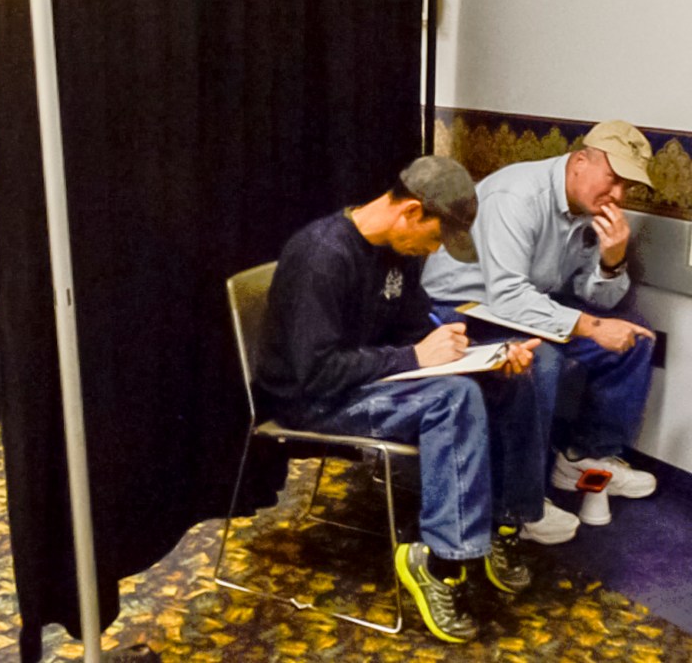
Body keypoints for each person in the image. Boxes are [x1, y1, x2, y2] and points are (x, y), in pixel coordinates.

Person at [254, 156, 546, 643]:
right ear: (411, 212)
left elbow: (413, 331)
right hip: (309, 400)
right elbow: (316, 373)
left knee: (509, 380)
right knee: (452, 400)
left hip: (366, 381)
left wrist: (482, 357)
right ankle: (442, 563)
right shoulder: (322, 255)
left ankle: (504, 523)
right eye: (436, 238)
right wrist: (414, 357)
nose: (436, 250)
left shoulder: (397, 252)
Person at [422, 120, 658, 546]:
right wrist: (592, 327)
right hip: (461, 309)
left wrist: (613, 260)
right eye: (613, 178)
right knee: (540, 359)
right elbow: (508, 297)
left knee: (634, 338)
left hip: (524, 305)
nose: (619, 195)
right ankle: (519, 506)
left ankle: (583, 456)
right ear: (580, 161)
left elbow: (598, 301)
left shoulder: (587, 210)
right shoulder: (517, 196)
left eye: (627, 186)